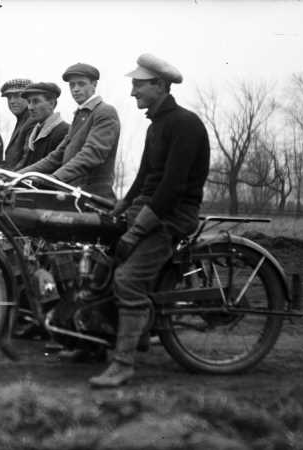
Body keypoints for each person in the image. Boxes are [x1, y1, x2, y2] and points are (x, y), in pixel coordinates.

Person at [89, 54, 210, 388]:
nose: (132, 93)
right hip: (150, 209)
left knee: (127, 280)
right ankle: (123, 339)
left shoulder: (185, 124)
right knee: (101, 262)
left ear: (160, 85)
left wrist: (137, 228)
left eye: (138, 85)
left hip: (171, 216)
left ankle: (124, 364)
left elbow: (171, 187)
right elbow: (145, 176)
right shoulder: (158, 125)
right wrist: (121, 206)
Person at [19, 63, 120, 200]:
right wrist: (19, 175)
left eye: (81, 84)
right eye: (72, 85)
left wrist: (55, 178)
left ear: (94, 84)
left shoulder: (104, 112)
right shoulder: (80, 115)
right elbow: (57, 156)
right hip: (73, 194)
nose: (76, 89)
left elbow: (91, 155)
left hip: (93, 196)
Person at [8, 82, 69, 171]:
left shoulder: (64, 131)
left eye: (36, 101)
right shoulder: (35, 132)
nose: (30, 107)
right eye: (29, 102)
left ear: (52, 104)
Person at [0, 78, 34, 170]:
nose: (12, 101)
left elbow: (26, 160)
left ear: (29, 98)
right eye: (9, 97)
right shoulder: (22, 120)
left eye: (17, 96)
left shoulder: (32, 120)